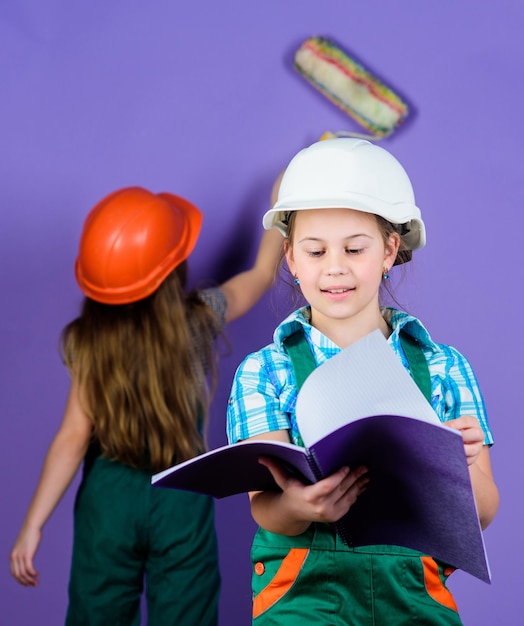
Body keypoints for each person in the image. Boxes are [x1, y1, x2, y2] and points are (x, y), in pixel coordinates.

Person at [226, 138, 499, 625]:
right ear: (290, 257)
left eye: (355, 248)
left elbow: (481, 513)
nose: (335, 267)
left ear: (390, 249)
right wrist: (300, 505)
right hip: (305, 601)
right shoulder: (264, 371)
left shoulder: (443, 367)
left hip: (414, 601)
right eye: (315, 250)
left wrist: (462, 463)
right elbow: (263, 508)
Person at [10, 186, 282, 625]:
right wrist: (278, 205)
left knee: (96, 615)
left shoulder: (87, 341)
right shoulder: (198, 319)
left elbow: (74, 436)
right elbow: (261, 274)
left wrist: (33, 525)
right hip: (181, 492)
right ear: (172, 272)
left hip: (108, 502)